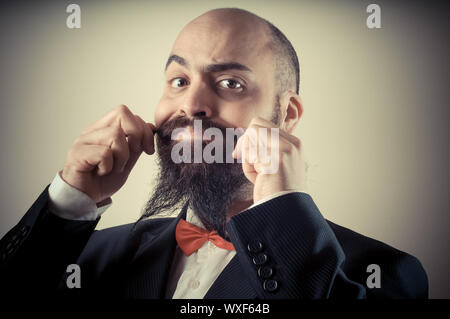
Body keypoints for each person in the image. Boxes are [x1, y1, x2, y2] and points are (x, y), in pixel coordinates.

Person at [0, 8, 427, 299]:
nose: (191, 106)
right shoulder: (86, 258)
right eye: (179, 80)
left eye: (230, 83)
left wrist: (282, 208)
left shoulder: (380, 273)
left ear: (287, 114)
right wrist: (69, 200)